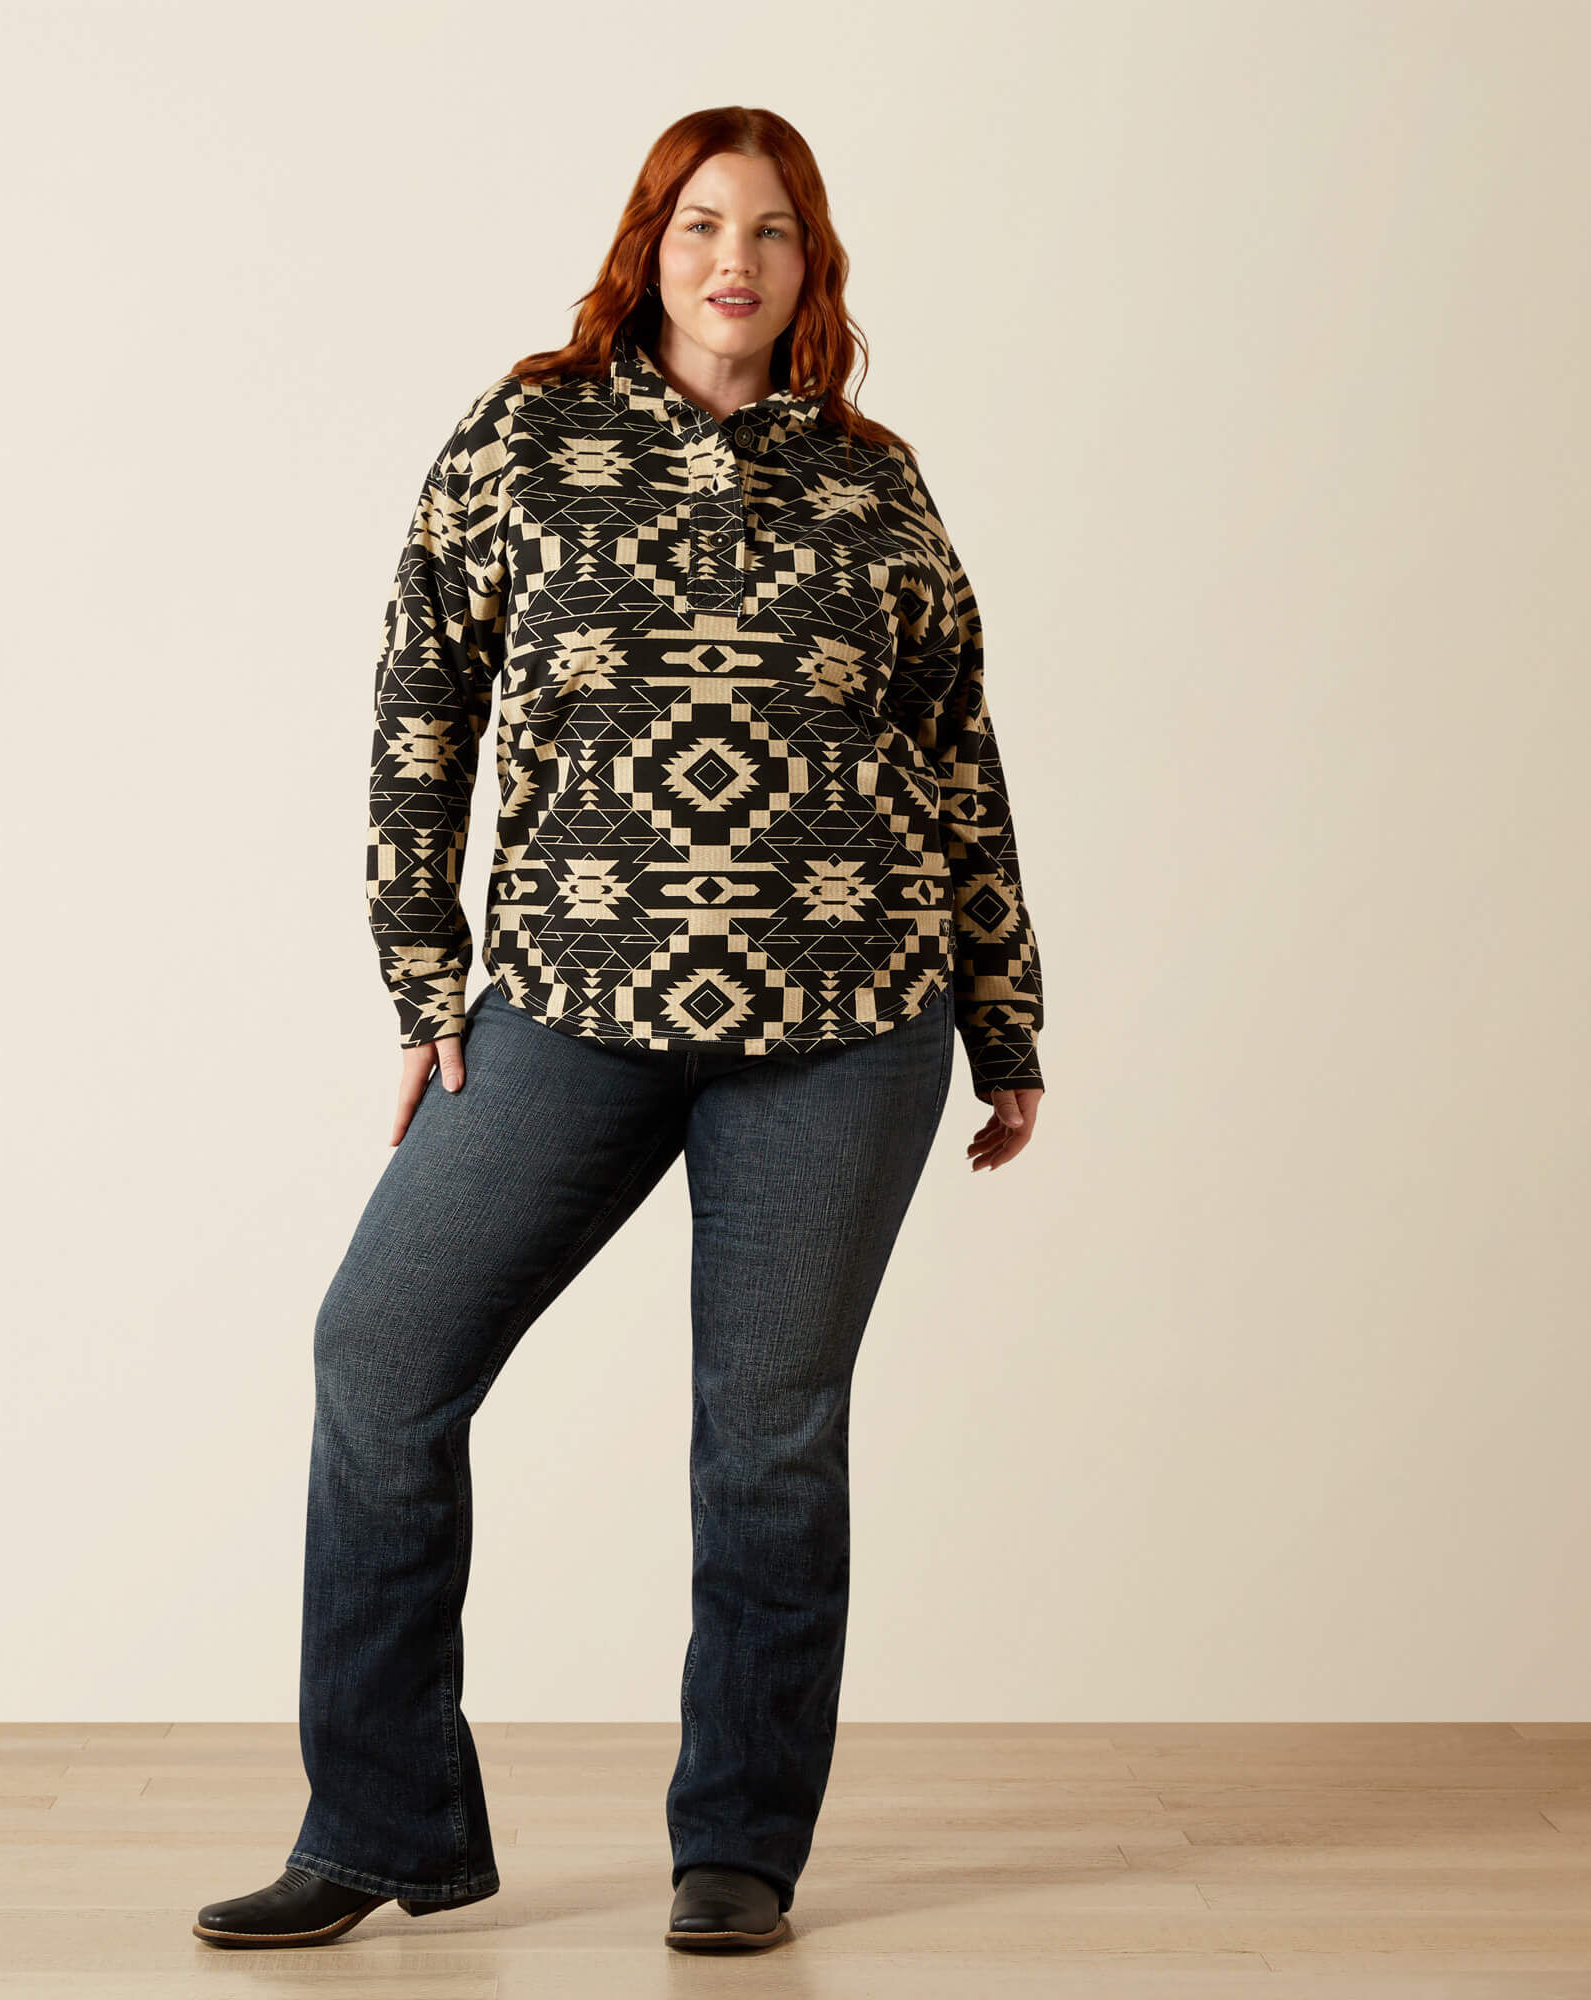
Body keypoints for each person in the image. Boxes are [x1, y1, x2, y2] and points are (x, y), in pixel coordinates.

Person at [194, 103, 1046, 1958]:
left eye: (773, 231)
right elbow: (421, 703)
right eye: (701, 225)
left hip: (849, 1020)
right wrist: (425, 979)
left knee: (767, 1439)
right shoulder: (524, 436)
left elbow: (955, 754)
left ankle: (738, 1846)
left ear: (814, 266)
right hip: (572, 1002)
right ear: (648, 248)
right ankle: (377, 1821)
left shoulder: (876, 484)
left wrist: (1007, 1022)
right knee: (382, 1356)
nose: (736, 261)